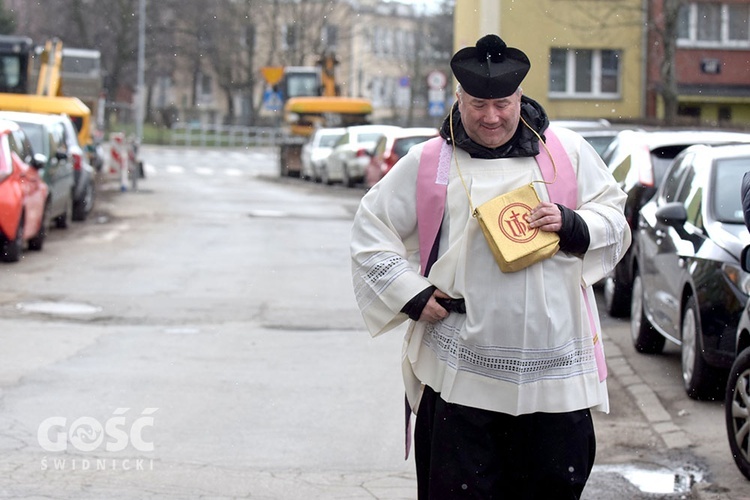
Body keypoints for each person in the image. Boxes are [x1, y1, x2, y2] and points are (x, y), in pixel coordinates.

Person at [350, 34, 631, 499]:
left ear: (519, 97)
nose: (491, 116)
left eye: (502, 102)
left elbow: (616, 217)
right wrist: (412, 294)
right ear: (458, 99)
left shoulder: (566, 153)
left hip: (554, 370)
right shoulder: (430, 163)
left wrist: (576, 225)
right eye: (478, 103)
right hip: (461, 372)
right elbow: (370, 231)